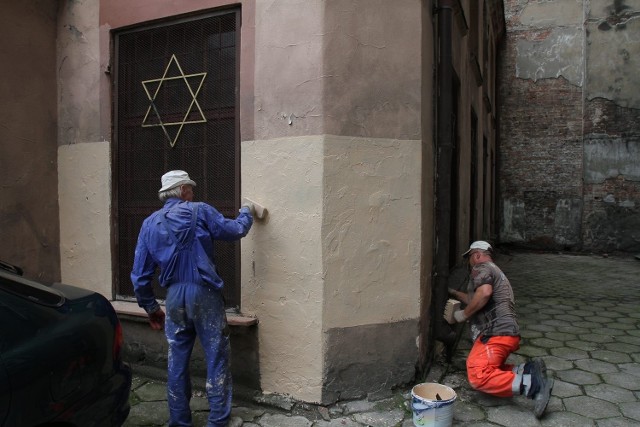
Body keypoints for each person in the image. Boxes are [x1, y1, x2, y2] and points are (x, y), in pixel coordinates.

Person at [131, 170, 254, 427]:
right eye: (191, 187)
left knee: (176, 360)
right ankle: (218, 421)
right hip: (205, 293)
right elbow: (233, 230)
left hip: (174, 297)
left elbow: (140, 276)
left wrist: (152, 308)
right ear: (183, 190)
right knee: (216, 356)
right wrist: (246, 212)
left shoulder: (149, 223)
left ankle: (179, 422)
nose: (193, 192)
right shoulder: (200, 210)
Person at [446, 240, 553, 419]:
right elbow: (476, 297)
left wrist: (463, 315)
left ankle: (533, 385)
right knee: (494, 368)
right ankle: (527, 370)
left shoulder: (482, 267)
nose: (469, 263)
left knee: (478, 375)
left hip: (494, 333)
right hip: (507, 334)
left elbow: (485, 293)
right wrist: (455, 293)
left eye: (470, 258)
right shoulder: (496, 272)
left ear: (477, 255)